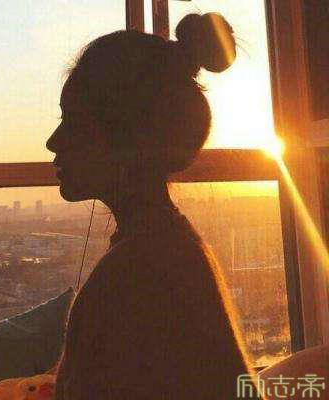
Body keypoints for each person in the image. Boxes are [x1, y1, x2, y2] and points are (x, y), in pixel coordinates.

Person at [46, 12, 259, 400]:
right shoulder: (169, 248)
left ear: (126, 138)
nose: (53, 142)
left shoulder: (133, 275)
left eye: (73, 122)